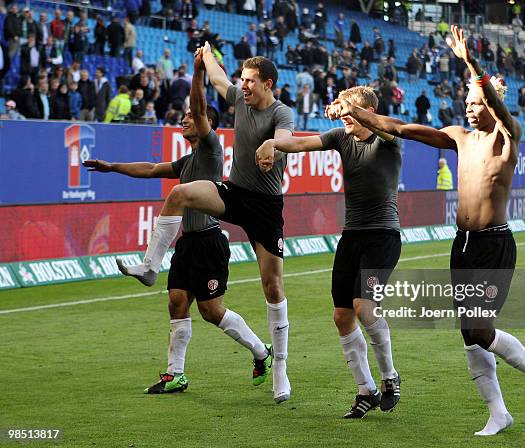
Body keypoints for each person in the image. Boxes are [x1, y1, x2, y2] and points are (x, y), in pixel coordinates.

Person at [330, 25, 525, 436]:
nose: (469, 108)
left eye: (476, 102)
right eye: (467, 101)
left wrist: (470, 63)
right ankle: (498, 413)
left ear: (491, 103)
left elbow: (496, 105)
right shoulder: (458, 137)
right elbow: (400, 128)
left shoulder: (507, 138)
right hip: (463, 245)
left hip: (494, 246)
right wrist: (355, 112)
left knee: (478, 328)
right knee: (469, 335)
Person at [84, 48, 272, 394]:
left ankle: (262, 351)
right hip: (187, 243)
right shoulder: (186, 161)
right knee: (176, 302)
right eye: (183, 117)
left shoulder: (212, 148)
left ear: (207, 126)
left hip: (210, 243)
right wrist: (112, 167)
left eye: (188, 118)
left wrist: (198, 72)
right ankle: (176, 374)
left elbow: (200, 109)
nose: (184, 120)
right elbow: (152, 170)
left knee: (212, 312)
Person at [256, 86, 402, 418]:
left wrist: (350, 108)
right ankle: (366, 390)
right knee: (342, 316)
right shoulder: (340, 136)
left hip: (383, 235)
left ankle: (390, 377)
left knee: (365, 308)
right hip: (351, 236)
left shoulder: (387, 138)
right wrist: (272, 142)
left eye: (349, 109)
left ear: (365, 110)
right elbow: (301, 144)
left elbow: (383, 125)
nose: (342, 114)